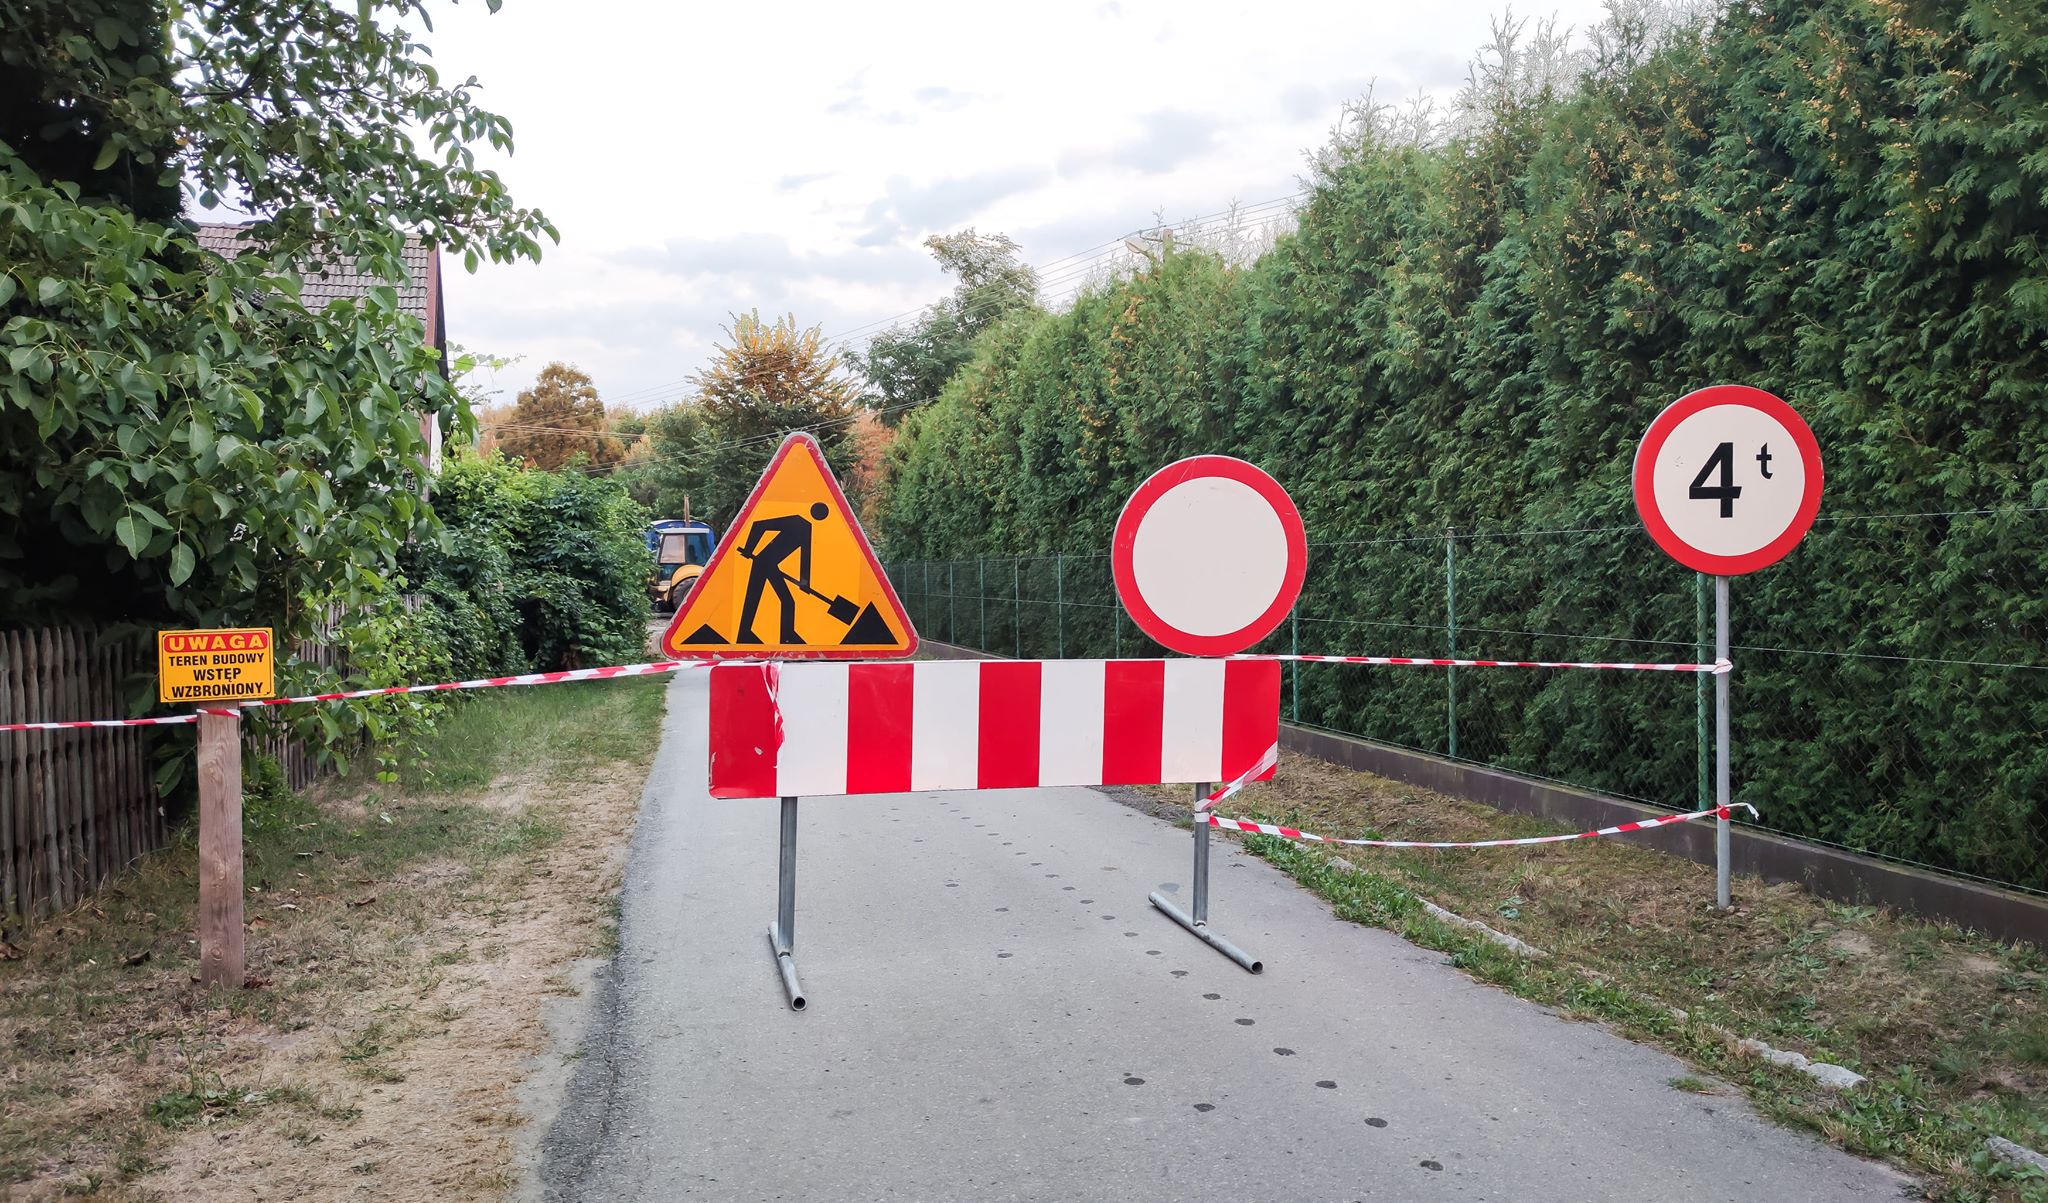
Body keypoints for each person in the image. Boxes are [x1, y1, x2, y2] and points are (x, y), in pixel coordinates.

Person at [736, 502, 830, 644]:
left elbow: (805, 556)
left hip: (769, 565)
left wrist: (804, 583)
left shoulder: (806, 527)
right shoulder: (797, 522)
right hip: (763, 563)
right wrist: (749, 548)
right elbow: (759, 525)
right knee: (758, 598)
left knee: (764, 599)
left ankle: (780, 635)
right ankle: (780, 636)